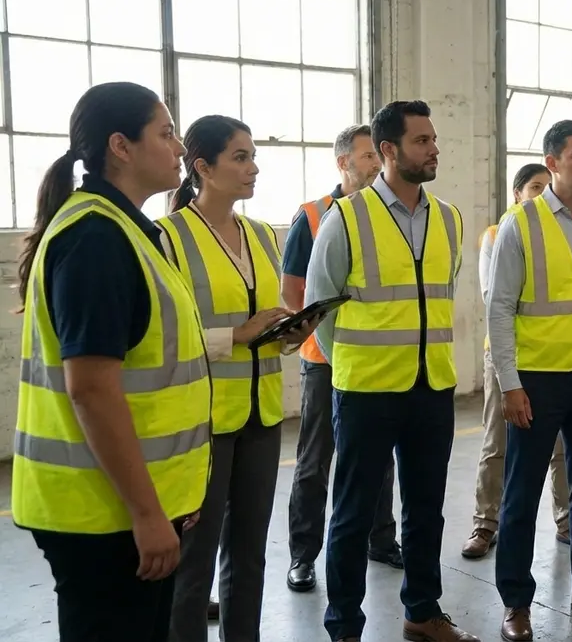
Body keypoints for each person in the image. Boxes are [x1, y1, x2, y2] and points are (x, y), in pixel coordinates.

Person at [10, 81, 211, 642]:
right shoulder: (96, 238)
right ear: (120, 146)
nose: (178, 149)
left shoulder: (128, 230)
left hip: (129, 503)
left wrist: (171, 500)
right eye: (166, 133)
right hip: (102, 516)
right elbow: (91, 390)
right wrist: (149, 514)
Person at [306, 100, 478, 642]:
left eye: (433, 139)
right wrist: (356, 367)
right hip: (366, 393)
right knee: (354, 515)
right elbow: (320, 309)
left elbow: (440, 291)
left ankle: (422, 612)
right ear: (388, 150)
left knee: (426, 509)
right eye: (421, 140)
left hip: (432, 387)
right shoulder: (347, 218)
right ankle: (344, 627)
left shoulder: (448, 218)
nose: (434, 149)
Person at [157, 114, 315, 642]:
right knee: (194, 564)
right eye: (240, 158)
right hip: (201, 422)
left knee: (249, 555)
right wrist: (239, 336)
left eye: (253, 157)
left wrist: (289, 332)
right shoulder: (169, 238)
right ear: (202, 167)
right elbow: (163, 341)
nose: (254, 168)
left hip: (262, 414)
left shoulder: (263, 234)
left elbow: (264, 319)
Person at [488, 120, 572, 642]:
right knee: (521, 493)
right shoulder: (519, 224)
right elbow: (498, 308)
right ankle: (516, 603)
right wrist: (509, 382)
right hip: (538, 381)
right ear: (552, 163)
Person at [283, 124, 403, 592]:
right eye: (368, 155)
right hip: (324, 361)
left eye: (379, 154)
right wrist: (329, 341)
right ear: (343, 163)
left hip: (377, 362)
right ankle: (302, 555)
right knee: (316, 460)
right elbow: (294, 292)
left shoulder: (388, 215)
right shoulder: (314, 216)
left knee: (381, 458)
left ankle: (381, 539)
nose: (377, 162)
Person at [462, 163, 571, 560]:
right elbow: (497, 296)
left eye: (547, 187)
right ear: (516, 193)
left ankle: (566, 520)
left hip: (555, 356)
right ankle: (484, 524)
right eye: (535, 188)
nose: (542, 194)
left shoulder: (562, 234)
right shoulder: (498, 234)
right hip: (507, 354)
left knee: (559, 443)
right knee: (498, 440)